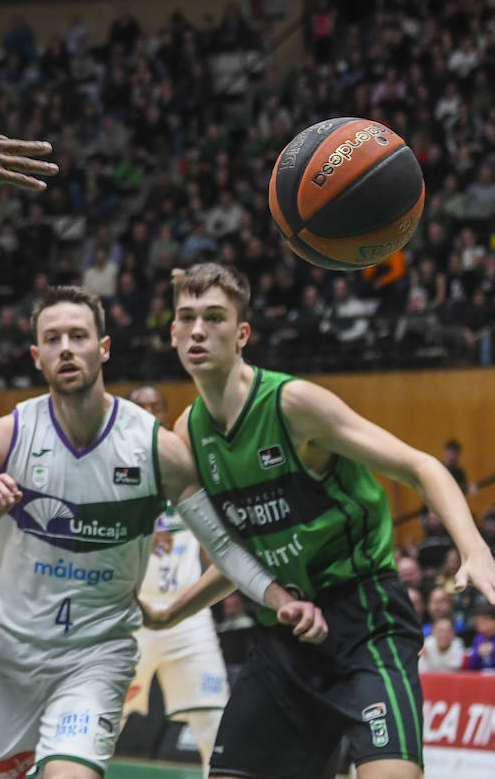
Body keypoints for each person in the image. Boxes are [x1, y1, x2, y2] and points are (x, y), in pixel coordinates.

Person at [0, 286, 325, 779]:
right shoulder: (9, 435)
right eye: (52, 338)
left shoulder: (155, 449)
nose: (65, 347)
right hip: (10, 657)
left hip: (97, 651)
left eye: (78, 335)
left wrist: (279, 597)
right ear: (36, 357)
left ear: (103, 348)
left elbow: (224, 545)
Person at [158, 262, 495, 779]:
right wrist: (168, 614)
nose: (199, 330)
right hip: (285, 635)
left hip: (364, 619)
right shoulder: (189, 433)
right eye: (188, 318)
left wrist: (473, 550)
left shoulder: (293, 406)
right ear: (174, 333)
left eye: (215, 317)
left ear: (242, 333)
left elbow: (420, 466)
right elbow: (239, 556)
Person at [121, 384, 229, 775]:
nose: (150, 413)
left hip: (187, 615)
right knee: (100, 723)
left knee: (216, 730)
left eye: (157, 407)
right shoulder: (111, 465)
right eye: (141, 407)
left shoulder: (186, 462)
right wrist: (139, 532)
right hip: (128, 616)